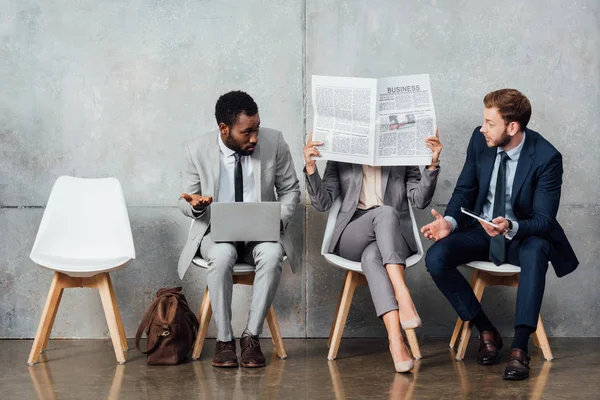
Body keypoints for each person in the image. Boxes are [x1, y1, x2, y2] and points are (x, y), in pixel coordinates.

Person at [421, 89, 578, 380]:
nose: (483, 128)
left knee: (536, 251)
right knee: (437, 257)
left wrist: (510, 226)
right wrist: (451, 222)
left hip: (523, 236)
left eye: (490, 123)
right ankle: (486, 330)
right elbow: (465, 190)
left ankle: (520, 348)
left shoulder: (546, 157)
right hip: (482, 232)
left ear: (512, 127)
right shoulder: (480, 141)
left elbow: (544, 220)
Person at [178, 90, 300, 368]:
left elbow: (291, 190)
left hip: (263, 232)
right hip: (217, 233)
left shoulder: (275, 142)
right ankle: (224, 341)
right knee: (220, 257)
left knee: (271, 255)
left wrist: (276, 220)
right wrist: (195, 205)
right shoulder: (196, 150)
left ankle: (251, 338)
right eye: (247, 132)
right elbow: (186, 199)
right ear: (224, 129)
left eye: (257, 128)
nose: (255, 137)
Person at [304, 129, 442, 372]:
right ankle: (402, 294)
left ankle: (396, 342)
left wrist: (432, 165)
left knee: (372, 256)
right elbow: (322, 203)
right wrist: (311, 167)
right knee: (386, 212)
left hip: (390, 238)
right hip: (352, 233)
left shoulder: (399, 155)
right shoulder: (342, 155)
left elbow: (419, 201)